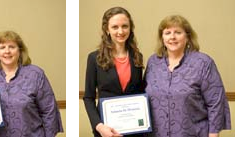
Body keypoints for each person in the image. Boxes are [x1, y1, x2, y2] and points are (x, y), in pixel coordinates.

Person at [144, 15, 231, 137]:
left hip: (193, 134)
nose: (172, 37)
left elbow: (215, 102)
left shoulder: (203, 63)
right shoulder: (153, 62)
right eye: (167, 33)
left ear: (187, 36)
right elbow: (144, 97)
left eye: (178, 32)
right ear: (162, 38)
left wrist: (213, 135)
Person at [0, 31, 63, 137]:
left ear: (20, 50)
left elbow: (49, 111)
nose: (7, 51)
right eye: (2, 47)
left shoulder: (35, 74)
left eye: (12, 47)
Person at [83, 7, 144, 137]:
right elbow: (88, 97)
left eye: (125, 26)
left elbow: (140, 93)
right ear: (107, 30)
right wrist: (99, 126)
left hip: (134, 131)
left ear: (130, 28)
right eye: (115, 27)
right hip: (107, 131)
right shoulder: (94, 58)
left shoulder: (137, 56)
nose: (120, 31)